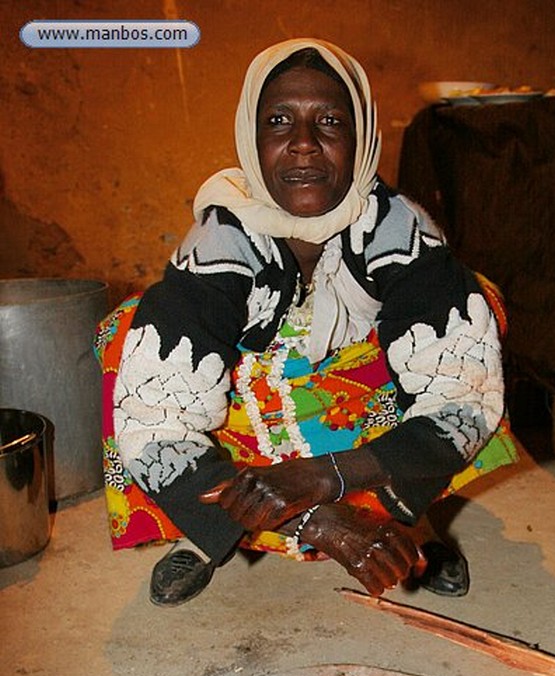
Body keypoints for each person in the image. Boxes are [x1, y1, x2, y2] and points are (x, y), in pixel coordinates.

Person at [95, 38, 516, 606]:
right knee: (131, 338)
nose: (302, 144)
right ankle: (203, 532)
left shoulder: (399, 232)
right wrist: (315, 521)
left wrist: (325, 476)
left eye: (329, 121)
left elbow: (462, 400)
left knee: (475, 309)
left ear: (361, 136)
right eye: (278, 121)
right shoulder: (221, 242)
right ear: (252, 137)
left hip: (358, 419)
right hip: (247, 420)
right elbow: (155, 428)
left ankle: (407, 519)